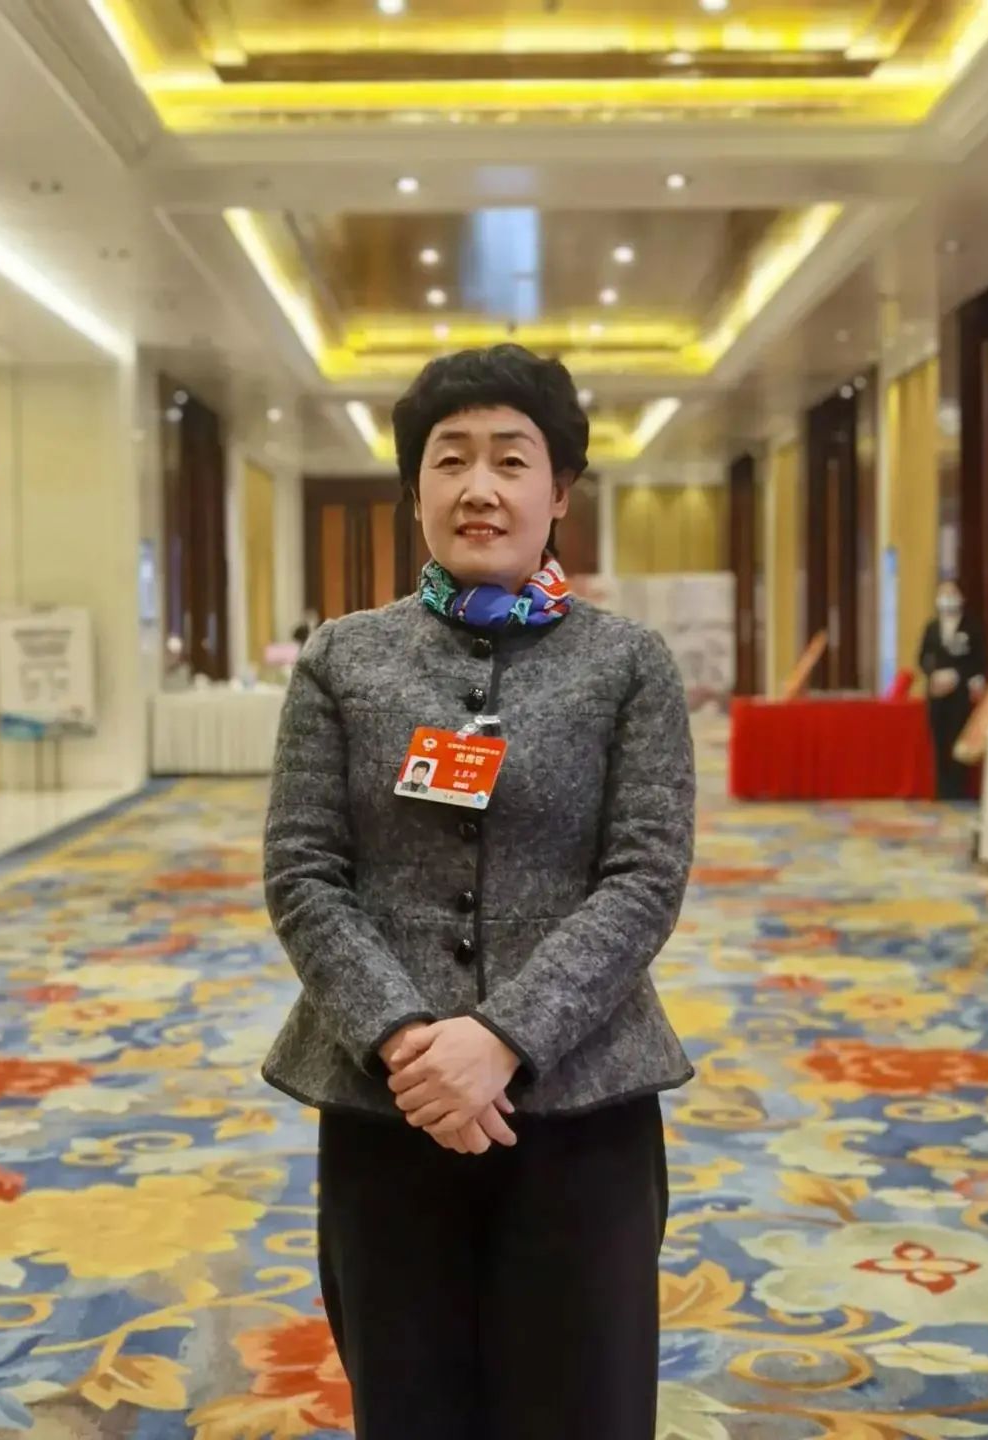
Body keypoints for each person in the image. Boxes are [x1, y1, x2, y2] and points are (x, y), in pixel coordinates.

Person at [262, 343, 695, 1440]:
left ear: (561, 491)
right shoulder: (341, 659)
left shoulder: (628, 663)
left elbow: (645, 875)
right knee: (410, 1404)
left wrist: (504, 1037)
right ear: (415, 493)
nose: (480, 487)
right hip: (389, 1105)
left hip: (584, 1099)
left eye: (511, 458)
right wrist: (406, 1039)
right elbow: (304, 870)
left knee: (586, 1407)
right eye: (449, 460)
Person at [918, 579, 987, 799]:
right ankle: (942, 787)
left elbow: (979, 660)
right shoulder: (932, 627)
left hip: (960, 694)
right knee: (939, 740)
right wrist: (933, 674)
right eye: (943, 594)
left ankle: (957, 788)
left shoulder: (971, 627)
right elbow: (923, 657)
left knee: (957, 738)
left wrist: (958, 676)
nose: (947, 598)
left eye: (952, 593)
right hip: (937, 693)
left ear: (961, 597)